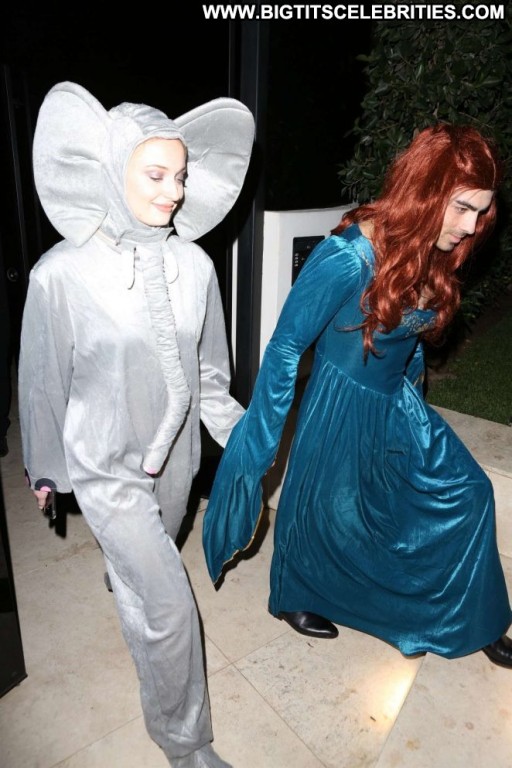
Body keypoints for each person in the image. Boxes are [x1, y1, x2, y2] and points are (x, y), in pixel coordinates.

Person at [202, 124, 512, 668]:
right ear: (426, 192)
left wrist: (414, 404)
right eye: (463, 207)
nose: (470, 226)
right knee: (328, 511)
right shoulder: (348, 257)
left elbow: (408, 345)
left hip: (395, 401)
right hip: (339, 405)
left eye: (479, 212)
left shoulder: (432, 250)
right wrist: (262, 437)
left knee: (468, 492)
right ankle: (295, 594)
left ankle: (474, 614)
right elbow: (285, 346)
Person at [18, 81, 254, 767]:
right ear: (112, 170)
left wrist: (245, 437)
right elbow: (42, 379)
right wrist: (45, 467)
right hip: (104, 464)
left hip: (177, 460)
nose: (174, 191)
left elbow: (210, 375)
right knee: (171, 609)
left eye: (181, 176)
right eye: (156, 175)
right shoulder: (59, 275)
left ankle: (126, 570)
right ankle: (185, 743)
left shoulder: (196, 267)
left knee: (151, 557)